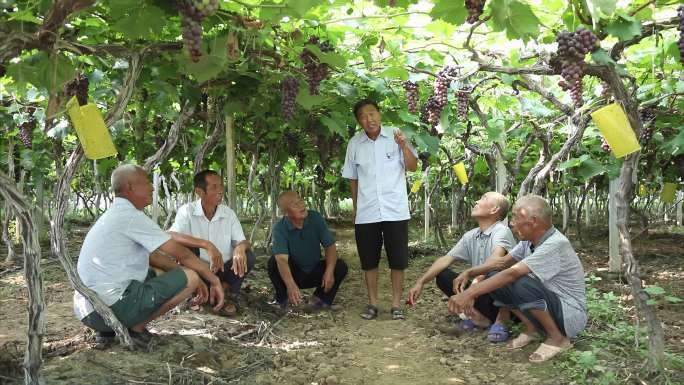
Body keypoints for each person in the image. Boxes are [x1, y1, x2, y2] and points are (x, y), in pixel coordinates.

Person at [73, 164, 224, 345]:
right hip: (110, 309)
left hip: (89, 312)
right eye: (146, 182)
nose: (152, 187)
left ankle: (109, 331)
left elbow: (154, 257)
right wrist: (211, 280)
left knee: (159, 271)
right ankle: (136, 328)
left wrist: (183, 273)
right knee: (190, 277)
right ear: (130, 187)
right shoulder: (131, 217)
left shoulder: (115, 214)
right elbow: (183, 255)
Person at [448, 195, 587, 363]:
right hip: (551, 306)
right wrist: (471, 272)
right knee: (494, 277)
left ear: (533, 222)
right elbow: (502, 263)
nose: (511, 222)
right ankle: (532, 328)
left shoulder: (555, 243)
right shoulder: (529, 242)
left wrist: (469, 293)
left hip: (569, 314)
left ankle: (558, 338)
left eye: (515, 217)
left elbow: (512, 273)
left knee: (519, 281)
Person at [342, 98, 418, 320]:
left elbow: (413, 167)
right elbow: (353, 179)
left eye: (372, 113)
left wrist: (404, 146)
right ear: (359, 121)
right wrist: (356, 208)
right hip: (367, 212)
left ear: (379, 114)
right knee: (369, 261)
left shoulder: (396, 136)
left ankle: (396, 304)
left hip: (395, 209)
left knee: (398, 259)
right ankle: (372, 303)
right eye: (363, 116)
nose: (369, 119)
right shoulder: (354, 144)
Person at [407, 192, 515, 342]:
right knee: (444, 275)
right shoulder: (471, 235)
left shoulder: (502, 231)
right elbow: (446, 259)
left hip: (504, 298)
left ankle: (502, 320)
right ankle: (479, 318)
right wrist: (420, 282)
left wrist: (472, 290)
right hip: (482, 292)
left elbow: (495, 262)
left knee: (496, 274)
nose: (477, 201)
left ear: (494, 209)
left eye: (483, 198)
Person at [169, 169, 254, 316]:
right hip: (198, 269)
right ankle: (200, 291)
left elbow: (243, 241)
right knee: (187, 248)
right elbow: (170, 235)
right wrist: (206, 244)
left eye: (221, 185)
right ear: (199, 192)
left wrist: (240, 247)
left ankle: (221, 291)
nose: (220, 190)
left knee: (249, 256)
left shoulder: (228, 214)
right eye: (214, 187)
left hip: (223, 270)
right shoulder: (187, 211)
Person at [267, 191, 348, 310]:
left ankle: (319, 300)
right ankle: (284, 300)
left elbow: (330, 246)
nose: (301, 205)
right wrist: (290, 285)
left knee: (340, 266)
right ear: (285, 213)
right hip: (293, 273)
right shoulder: (279, 228)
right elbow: (282, 260)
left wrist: (329, 272)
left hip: (314, 270)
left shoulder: (315, 218)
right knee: (273, 262)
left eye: (300, 200)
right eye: (295, 204)